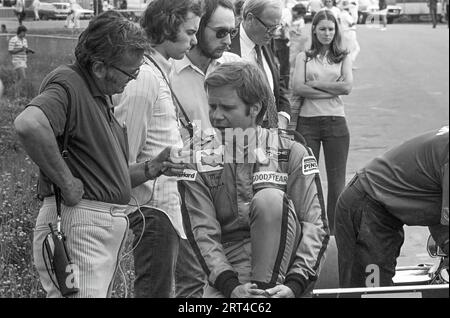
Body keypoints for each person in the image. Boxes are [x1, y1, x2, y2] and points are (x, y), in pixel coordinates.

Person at [14, 11, 185, 298]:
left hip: (91, 228)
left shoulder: (98, 95)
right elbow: (28, 123)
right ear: (99, 67)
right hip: (80, 225)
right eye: (129, 72)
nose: (132, 79)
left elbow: (104, 177)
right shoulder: (69, 83)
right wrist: (66, 183)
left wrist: (151, 168)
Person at [178, 61, 329, 298]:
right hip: (229, 275)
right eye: (212, 106)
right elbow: (202, 232)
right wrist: (230, 286)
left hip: (288, 274)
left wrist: (295, 283)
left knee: (269, 199)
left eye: (227, 108)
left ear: (255, 108)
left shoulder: (292, 152)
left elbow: (315, 225)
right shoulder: (196, 158)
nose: (216, 116)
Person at [112, 0, 203, 298]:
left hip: (166, 204)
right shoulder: (144, 78)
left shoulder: (157, 70)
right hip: (151, 207)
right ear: (166, 27)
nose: (194, 40)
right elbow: (124, 154)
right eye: (189, 32)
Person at [170, 0, 241, 298]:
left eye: (233, 33)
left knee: (231, 278)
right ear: (197, 28)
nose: (228, 40)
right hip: (185, 193)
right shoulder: (168, 72)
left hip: (231, 193)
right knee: (191, 281)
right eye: (221, 32)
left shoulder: (237, 67)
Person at [335, 127, 449, 288]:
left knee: (379, 287)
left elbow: (438, 213)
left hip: (384, 209)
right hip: (368, 204)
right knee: (371, 290)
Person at [292, 10, 353, 235]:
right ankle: (310, 230)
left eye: (331, 29)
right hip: (308, 124)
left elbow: (347, 87)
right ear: (314, 30)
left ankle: (335, 234)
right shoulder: (304, 57)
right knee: (307, 181)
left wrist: (315, 86)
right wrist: (332, 87)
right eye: (323, 29)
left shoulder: (342, 56)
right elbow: (298, 87)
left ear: (335, 31)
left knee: (337, 184)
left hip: (336, 123)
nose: (327, 33)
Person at [230, 0, 292, 130]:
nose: (274, 33)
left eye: (277, 27)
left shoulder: (267, 41)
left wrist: (283, 116)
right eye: (269, 27)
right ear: (250, 18)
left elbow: (278, 83)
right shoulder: (227, 44)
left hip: (272, 131)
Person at [340, 0, 360, 67]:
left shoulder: (343, 14)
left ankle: (349, 64)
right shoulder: (346, 14)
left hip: (347, 32)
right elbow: (351, 23)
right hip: (349, 32)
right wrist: (356, 20)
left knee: (353, 49)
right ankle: (348, 64)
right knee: (353, 49)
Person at [289, 3, 308, 71]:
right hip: (291, 42)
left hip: (296, 43)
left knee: (293, 60)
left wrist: (295, 32)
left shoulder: (301, 21)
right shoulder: (290, 16)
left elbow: (301, 33)